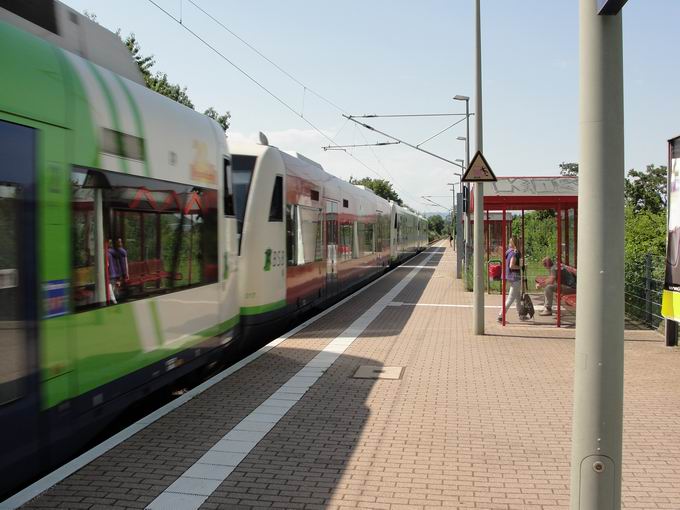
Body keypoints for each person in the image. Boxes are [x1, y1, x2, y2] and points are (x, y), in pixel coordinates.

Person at [497, 238, 528, 322]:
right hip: (515, 277)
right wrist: (521, 267)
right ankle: (501, 316)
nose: (522, 245)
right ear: (517, 244)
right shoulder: (516, 253)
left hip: (509, 277)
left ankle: (521, 315)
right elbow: (511, 265)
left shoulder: (508, 252)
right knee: (511, 298)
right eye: (521, 243)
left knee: (517, 297)